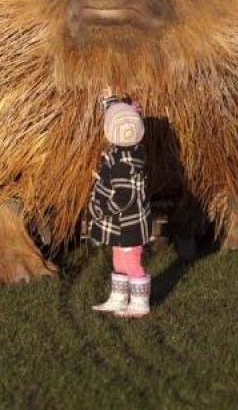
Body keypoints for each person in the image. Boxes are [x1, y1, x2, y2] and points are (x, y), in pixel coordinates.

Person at [88, 88, 151, 317]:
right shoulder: (130, 148)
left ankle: (140, 302)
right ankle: (119, 297)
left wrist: (103, 209)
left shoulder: (124, 163)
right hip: (122, 223)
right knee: (118, 258)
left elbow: (124, 197)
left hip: (128, 223)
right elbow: (124, 120)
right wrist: (109, 100)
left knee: (132, 262)